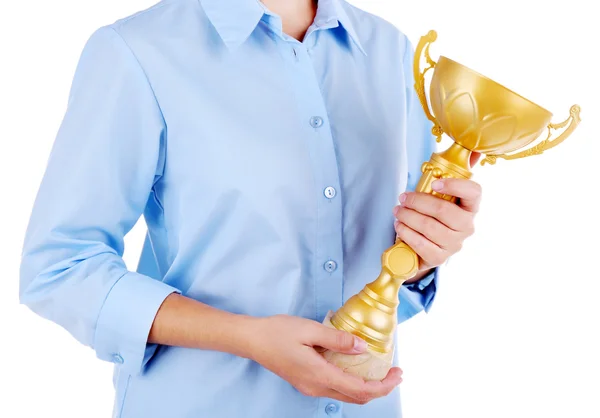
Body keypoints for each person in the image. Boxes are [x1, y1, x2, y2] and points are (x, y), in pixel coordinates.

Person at [19, 0, 482, 417]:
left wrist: (426, 252)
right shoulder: (139, 51)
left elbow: (387, 264)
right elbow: (60, 266)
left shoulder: (390, 51)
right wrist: (246, 337)